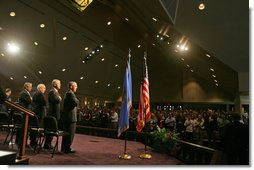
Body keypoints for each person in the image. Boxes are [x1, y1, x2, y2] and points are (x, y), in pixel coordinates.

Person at [61, 81, 79, 153]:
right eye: (76, 86)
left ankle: (64, 148)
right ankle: (67, 149)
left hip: (68, 117)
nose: (77, 87)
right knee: (70, 134)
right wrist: (77, 100)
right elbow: (76, 103)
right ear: (71, 86)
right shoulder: (70, 94)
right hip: (71, 117)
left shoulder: (68, 93)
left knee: (66, 134)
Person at [43, 79, 62, 149]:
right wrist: (60, 98)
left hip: (55, 113)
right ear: (54, 84)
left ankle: (48, 144)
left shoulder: (55, 92)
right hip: (53, 114)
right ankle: (47, 145)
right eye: (59, 83)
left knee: (52, 130)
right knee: (51, 130)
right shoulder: (52, 91)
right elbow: (55, 100)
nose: (60, 85)